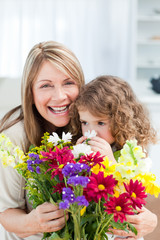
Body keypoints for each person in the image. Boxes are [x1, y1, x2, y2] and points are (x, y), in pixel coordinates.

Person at [0, 42, 157, 240]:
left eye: (68, 83)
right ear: (30, 93)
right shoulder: (13, 137)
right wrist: (32, 222)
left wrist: (149, 220)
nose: (59, 96)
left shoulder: (91, 125)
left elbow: (128, 195)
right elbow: (4, 213)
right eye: (46, 85)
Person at [70, 75, 158, 240]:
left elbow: (132, 200)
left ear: (120, 121)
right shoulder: (84, 148)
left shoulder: (134, 155)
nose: (91, 132)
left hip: (121, 231)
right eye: (85, 122)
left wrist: (110, 163)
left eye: (100, 123)